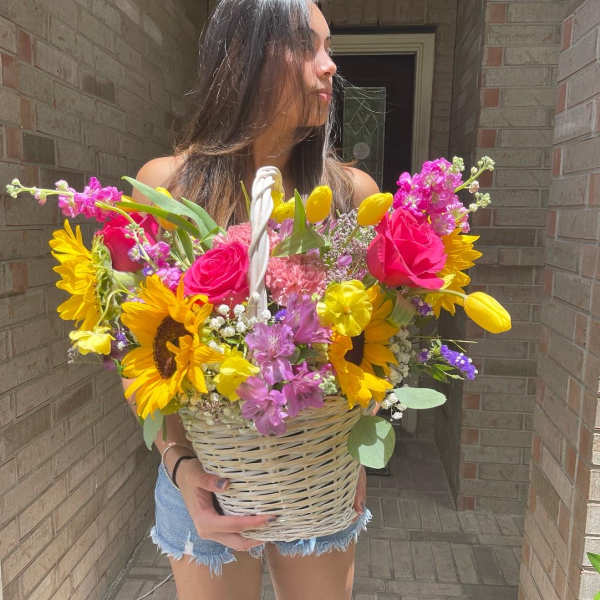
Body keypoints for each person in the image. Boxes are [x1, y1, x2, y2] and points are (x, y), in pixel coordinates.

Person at [122, 1, 380, 598]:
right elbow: (134, 353)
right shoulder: (166, 188)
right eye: (309, 47)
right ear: (247, 55)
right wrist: (180, 464)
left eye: (330, 48)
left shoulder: (351, 195)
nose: (330, 66)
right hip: (203, 480)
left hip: (318, 477)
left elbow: (373, 347)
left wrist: (358, 444)